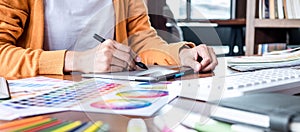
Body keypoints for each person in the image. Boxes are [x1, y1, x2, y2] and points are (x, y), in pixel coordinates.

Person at [0, 0, 218, 78]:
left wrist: (181, 54)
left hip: (107, 98)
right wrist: (78, 61)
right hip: (39, 105)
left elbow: (141, 39)